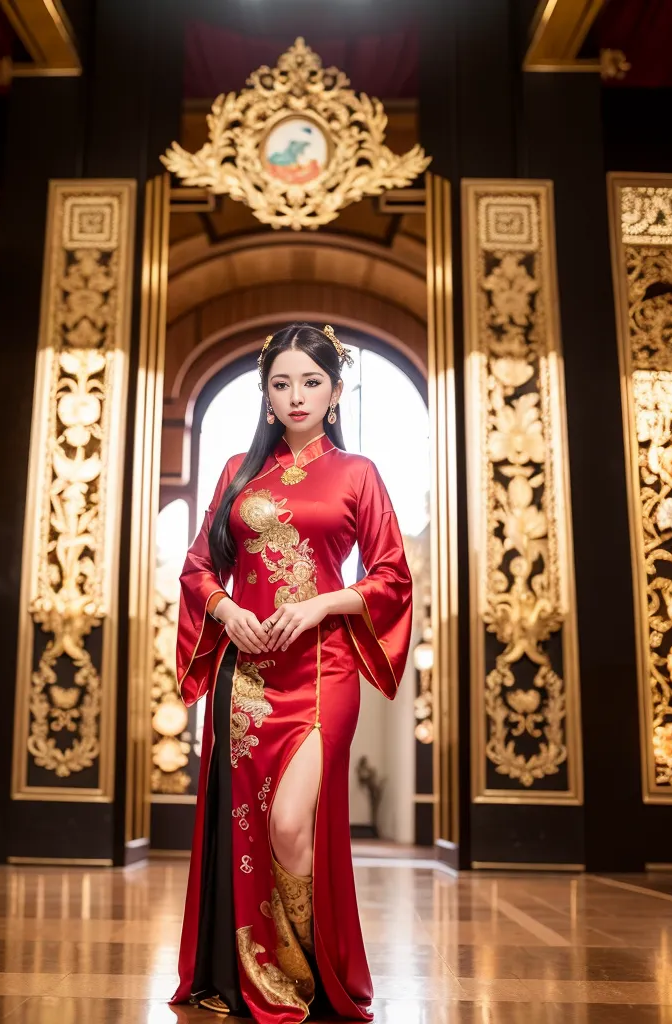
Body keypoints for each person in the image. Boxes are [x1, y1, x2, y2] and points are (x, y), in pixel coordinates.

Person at [169, 322, 413, 1023]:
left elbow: (392, 575)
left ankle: (308, 973)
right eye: (281, 383)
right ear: (266, 395)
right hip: (246, 677)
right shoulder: (238, 473)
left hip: (320, 672)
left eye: (311, 381)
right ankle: (266, 975)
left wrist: (319, 607)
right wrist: (223, 611)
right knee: (250, 827)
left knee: (288, 824)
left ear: (335, 392)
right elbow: (198, 567)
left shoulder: (359, 474)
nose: (296, 395)